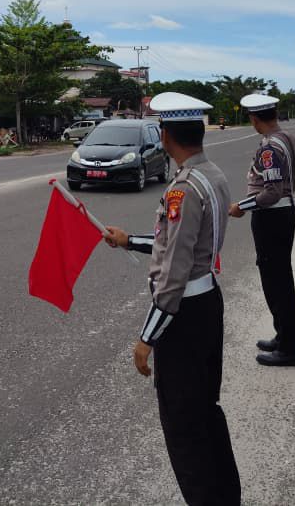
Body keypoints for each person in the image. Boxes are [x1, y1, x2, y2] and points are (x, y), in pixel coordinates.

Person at [103, 92, 241, 506]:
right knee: (206, 411)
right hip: (207, 304)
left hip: (185, 317)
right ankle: (225, 497)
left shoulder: (184, 189)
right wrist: (129, 240)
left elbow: (174, 274)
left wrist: (147, 338)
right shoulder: (211, 174)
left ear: (166, 136)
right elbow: (178, 243)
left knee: (183, 425)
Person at [228, 92, 295, 367]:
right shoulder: (292, 141)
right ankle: (283, 336)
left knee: (276, 283)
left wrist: (241, 206)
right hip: (284, 216)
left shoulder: (269, 148)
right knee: (279, 280)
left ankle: (289, 348)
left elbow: (272, 192)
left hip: (271, 218)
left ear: (254, 119)